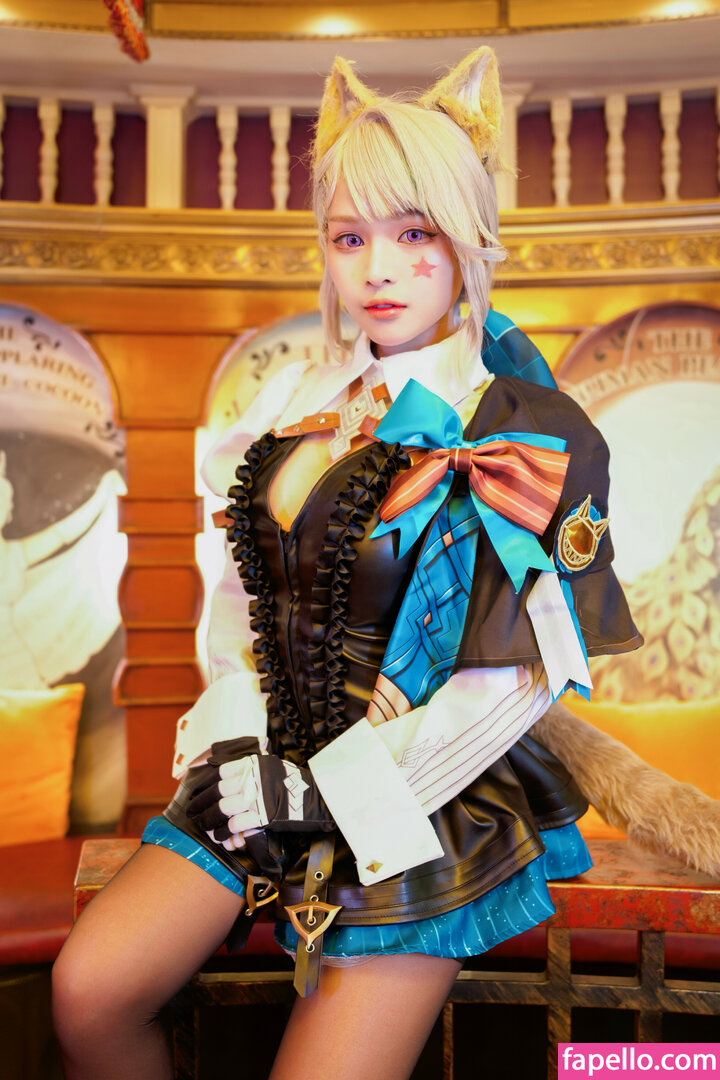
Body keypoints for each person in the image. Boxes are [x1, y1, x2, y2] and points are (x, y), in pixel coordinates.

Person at [53, 47, 644, 1080]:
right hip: (264, 766)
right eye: (349, 237)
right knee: (89, 994)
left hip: (424, 790)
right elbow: (241, 602)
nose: (377, 269)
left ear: (469, 237)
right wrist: (237, 743)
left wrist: (325, 795)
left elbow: (519, 680)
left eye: (414, 234)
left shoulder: (529, 429)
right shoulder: (295, 407)